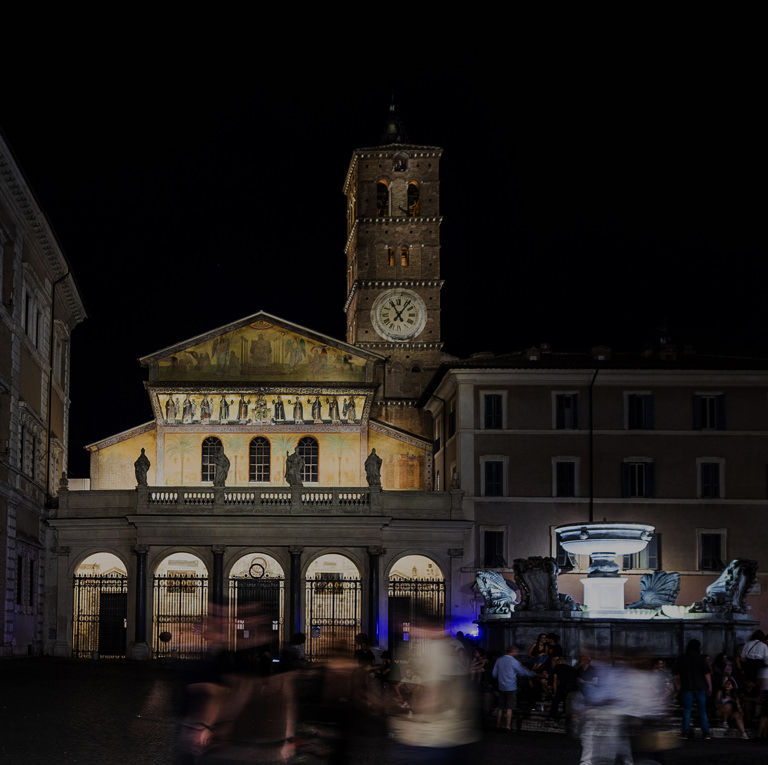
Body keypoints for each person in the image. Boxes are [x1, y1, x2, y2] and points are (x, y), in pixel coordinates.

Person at [675, 638, 712, 739]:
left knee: (687, 710)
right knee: (702, 710)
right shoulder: (701, 658)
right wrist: (710, 687)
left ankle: (685, 732)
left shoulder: (682, 658)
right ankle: (706, 732)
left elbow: (677, 674)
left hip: (687, 686)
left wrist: (678, 687)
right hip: (700, 686)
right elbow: (707, 674)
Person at [492, 644, 534, 731]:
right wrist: (533, 674)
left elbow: (494, 674)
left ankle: (498, 725)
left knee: (500, 707)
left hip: (501, 687)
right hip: (511, 687)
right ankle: (508, 726)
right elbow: (522, 672)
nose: (517, 653)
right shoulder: (514, 662)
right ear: (513, 651)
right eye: (516, 651)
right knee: (509, 707)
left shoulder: (499, 660)